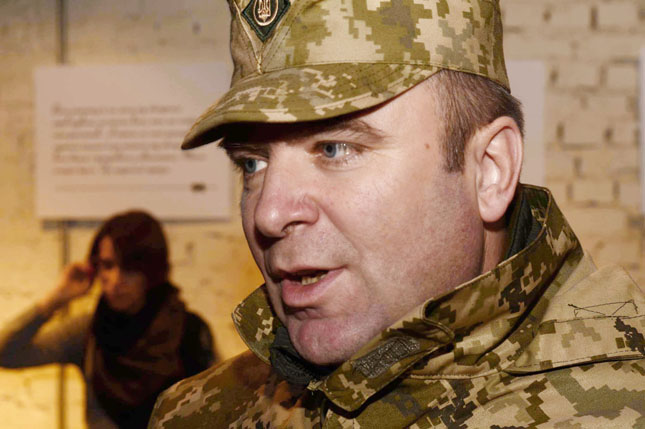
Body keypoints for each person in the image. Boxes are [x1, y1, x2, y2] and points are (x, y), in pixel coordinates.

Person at [149, 0, 645, 427]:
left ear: (489, 171)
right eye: (252, 164)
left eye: (335, 149)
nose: (269, 213)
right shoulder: (195, 412)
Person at [0, 210, 216, 428]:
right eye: (107, 265)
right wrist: (56, 299)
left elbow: (220, 406)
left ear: (152, 272)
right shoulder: (91, 331)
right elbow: (6, 354)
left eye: (129, 269)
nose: (116, 280)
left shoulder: (188, 331)